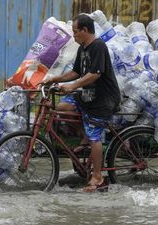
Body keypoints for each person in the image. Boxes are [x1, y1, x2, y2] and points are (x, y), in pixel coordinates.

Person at [42, 14, 120, 192]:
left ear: (85, 30)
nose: (74, 35)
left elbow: (95, 74)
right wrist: (55, 79)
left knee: (95, 135)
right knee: (62, 107)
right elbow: (76, 72)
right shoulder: (82, 48)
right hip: (88, 95)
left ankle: (98, 177)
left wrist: (72, 86)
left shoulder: (98, 46)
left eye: (76, 32)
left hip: (103, 99)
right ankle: (84, 137)